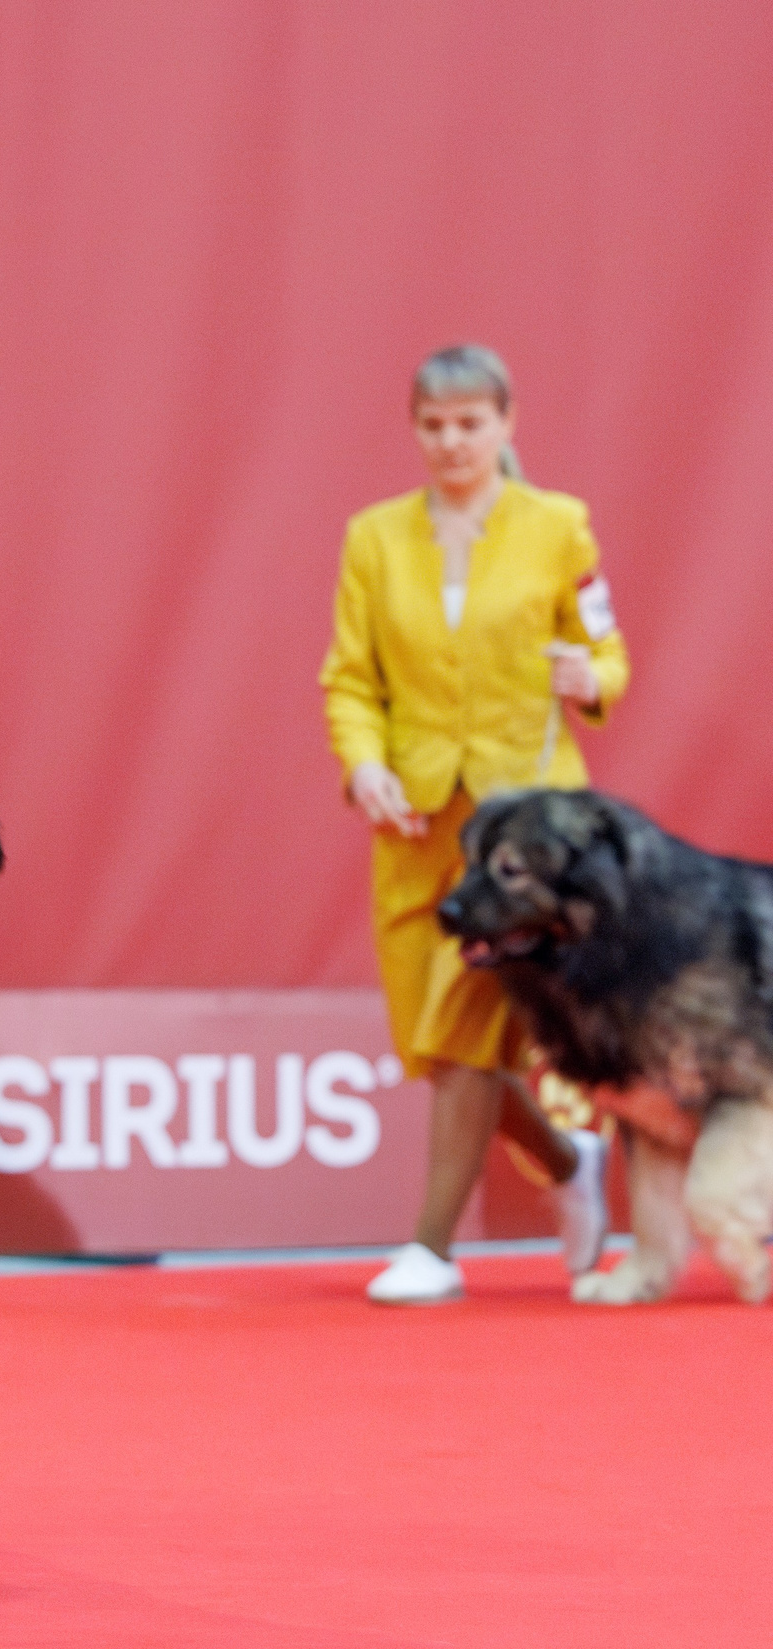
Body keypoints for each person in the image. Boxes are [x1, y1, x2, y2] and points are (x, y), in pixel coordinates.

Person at [320, 344, 628, 1306]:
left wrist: (593, 679)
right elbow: (348, 679)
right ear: (414, 429)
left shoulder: (559, 527)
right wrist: (363, 764)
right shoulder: (373, 537)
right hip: (415, 828)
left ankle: (431, 1249)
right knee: (432, 1038)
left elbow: (605, 650)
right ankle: (571, 1163)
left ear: (507, 423)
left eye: (471, 423)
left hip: (526, 835)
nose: (453, 442)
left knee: (462, 1032)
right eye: (435, 425)